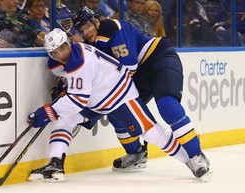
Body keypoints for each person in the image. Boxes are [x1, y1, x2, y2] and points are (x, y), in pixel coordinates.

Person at [27, 28, 191, 182]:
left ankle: (189, 159)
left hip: (120, 95)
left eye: (62, 48)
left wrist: (47, 112)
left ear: (68, 43)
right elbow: (71, 82)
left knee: (150, 132)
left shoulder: (79, 61)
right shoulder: (64, 60)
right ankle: (55, 164)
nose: (61, 54)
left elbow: (78, 100)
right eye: (55, 52)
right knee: (64, 120)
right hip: (97, 99)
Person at [72, 6, 211, 178]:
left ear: (97, 22)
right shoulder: (89, 46)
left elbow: (128, 69)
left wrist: (93, 111)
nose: (86, 32)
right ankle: (137, 154)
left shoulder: (111, 27)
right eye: (81, 30)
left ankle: (196, 155)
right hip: (136, 76)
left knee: (167, 105)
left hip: (158, 59)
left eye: (88, 26)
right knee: (116, 112)